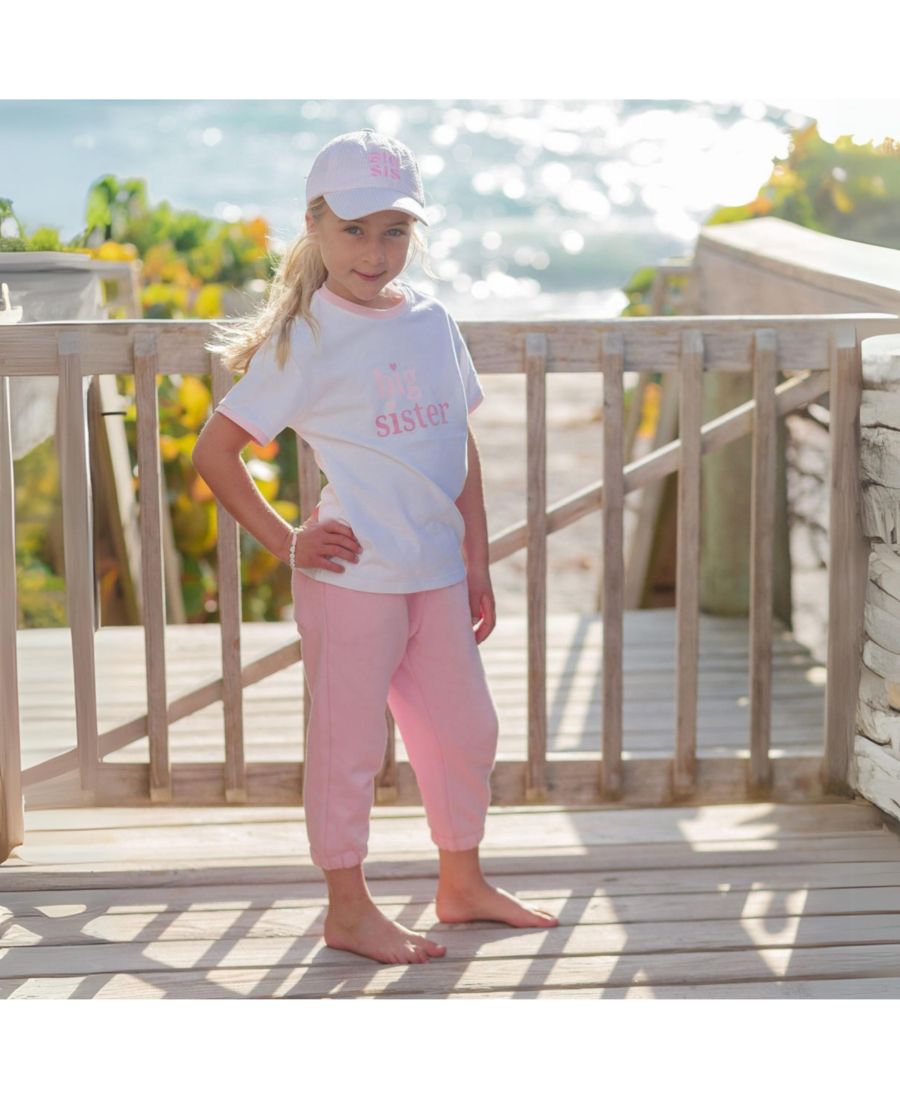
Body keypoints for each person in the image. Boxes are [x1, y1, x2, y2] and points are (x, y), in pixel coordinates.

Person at [193, 129, 558, 966]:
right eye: (354, 230)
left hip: (436, 574)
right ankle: (348, 910)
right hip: (353, 580)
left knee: (466, 731)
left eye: (394, 230)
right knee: (349, 748)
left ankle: (461, 885)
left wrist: (475, 559)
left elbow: (457, 445)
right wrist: (289, 541)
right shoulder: (305, 339)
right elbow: (215, 453)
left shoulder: (433, 322)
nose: (375, 251)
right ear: (315, 226)